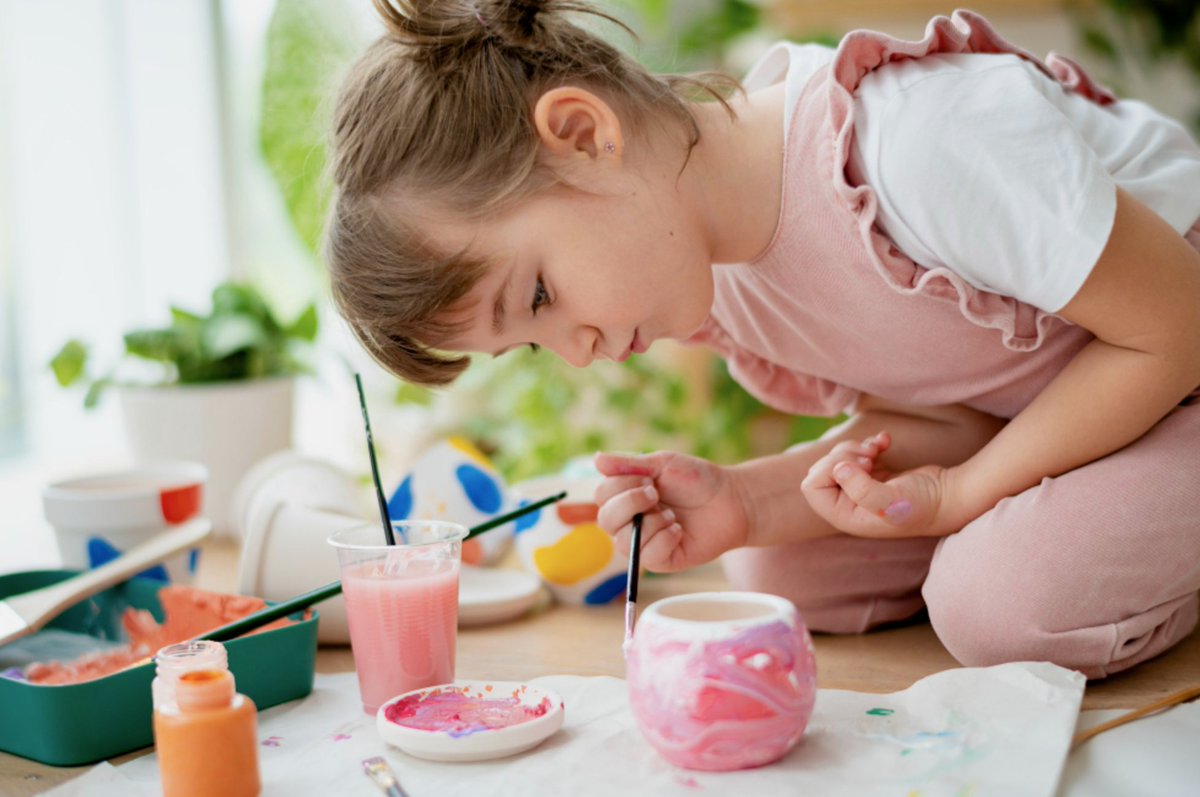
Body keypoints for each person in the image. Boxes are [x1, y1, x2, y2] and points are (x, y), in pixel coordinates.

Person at [325, 1, 1200, 679]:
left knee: (1000, 605)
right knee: (781, 564)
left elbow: (1176, 326)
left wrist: (967, 493)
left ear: (585, 135)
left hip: (1178, 348)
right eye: (531, 344)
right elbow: (944, 412)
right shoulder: (714, 282)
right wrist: (746, 501)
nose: (578, 348)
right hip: (1068, 395)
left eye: (542, 295)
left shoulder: (908, 144)